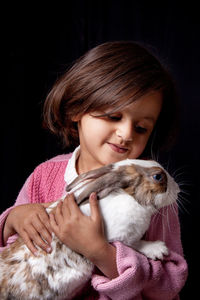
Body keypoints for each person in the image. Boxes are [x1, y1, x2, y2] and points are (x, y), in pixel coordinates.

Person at [0, 41, 187, 299]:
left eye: (141, 128)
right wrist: (12, 220)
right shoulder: (44, 176)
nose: (125, 134)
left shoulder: (154, 193)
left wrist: (100, 252)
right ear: (77, 109)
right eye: (113, 116)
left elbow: (168, 283)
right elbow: (12, 258)